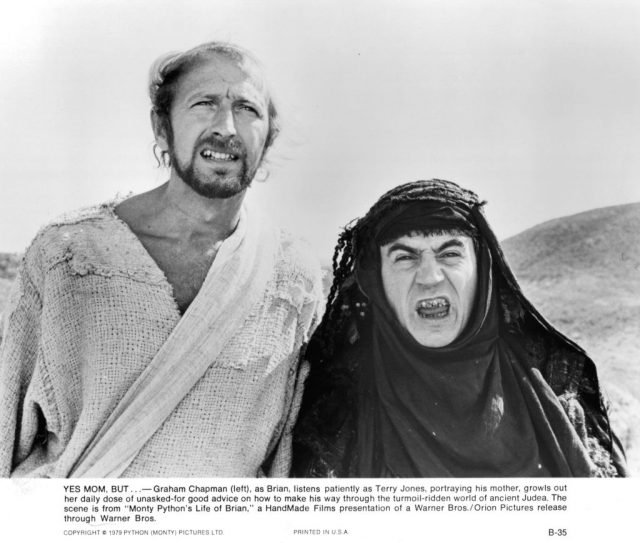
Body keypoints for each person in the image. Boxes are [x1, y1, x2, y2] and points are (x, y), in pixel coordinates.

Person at [0, 42, 323, 477]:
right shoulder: (69, 254)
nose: (226, 127)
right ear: (162, 126)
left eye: (247, 108)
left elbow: (287, 456)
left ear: (269, 138)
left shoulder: (292, 276)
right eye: (204, 103)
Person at [292, 179, 627, 477]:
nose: (429, 276)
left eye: (450, 253)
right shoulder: (336, 408)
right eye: (404, 257)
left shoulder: (558, 386)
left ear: (483, 272)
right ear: (375, 280)